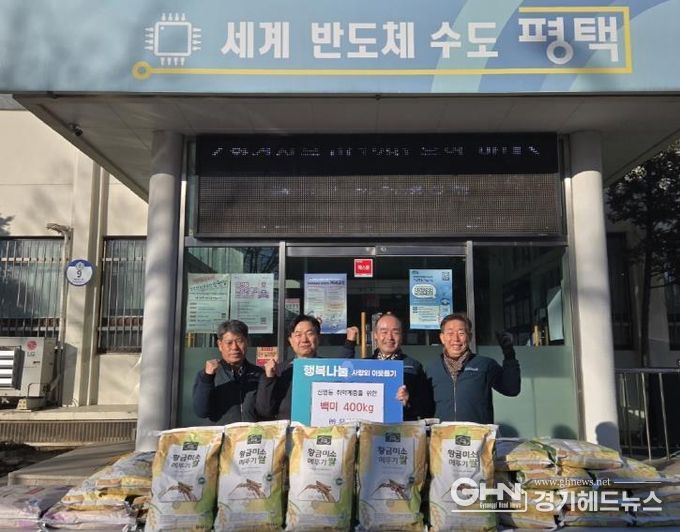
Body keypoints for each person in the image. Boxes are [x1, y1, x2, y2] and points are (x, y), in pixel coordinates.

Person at [426, 312, 520, 424]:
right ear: (442, 338)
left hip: (477, 433)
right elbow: (425, 407)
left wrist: (509, 356)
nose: (455, 339)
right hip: (443, 433)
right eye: (450, 333)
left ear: (469, 337)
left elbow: (511, 389)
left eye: (461, 333)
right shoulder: (432, 369)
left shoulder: (485, 365)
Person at [347, 313, 433, 421]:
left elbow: (427, 408)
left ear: (401, 336)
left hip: (402, 428)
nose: (389, 337)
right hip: (369, 427)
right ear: (375, 335)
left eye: (395, 332)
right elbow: (342, 375)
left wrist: (409, 401)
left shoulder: (413, 366)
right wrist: (349, 343)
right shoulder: (364, 366)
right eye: (384, 332)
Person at [192, 319, 263, 424]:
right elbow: (201, 412)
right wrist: (208, 378)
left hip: (252, 433)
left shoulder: (259, 374)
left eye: (239, 341)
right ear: (220, 345)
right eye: (229, 343)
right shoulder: (208, 376)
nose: (234, 347)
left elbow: (267, 410)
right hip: (222, 434)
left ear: (247, 342)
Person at [255, 314, 322, 420]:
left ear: (318, 337)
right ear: (290, 340)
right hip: (289, 429)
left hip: (322, 429)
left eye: (309, 333)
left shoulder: (330, 369)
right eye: (298, 335)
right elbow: (265, 411)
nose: (304, 339)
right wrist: (269, 378)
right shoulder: (280, 370)